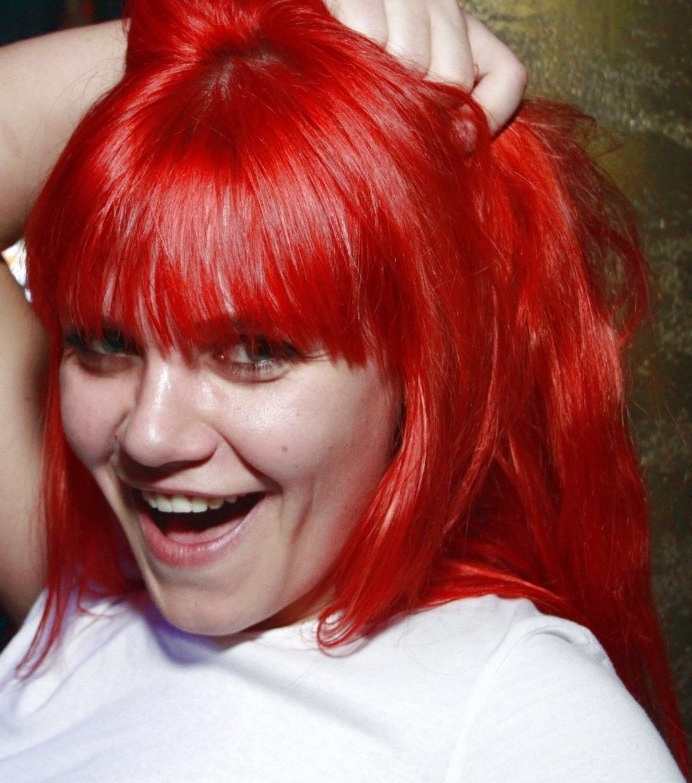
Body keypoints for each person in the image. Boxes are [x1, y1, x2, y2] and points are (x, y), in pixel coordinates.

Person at [0, 0, 686, 780]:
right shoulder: (87, 611)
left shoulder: (520, 712)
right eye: (105, 342)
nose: (148, 436)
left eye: (254, 351)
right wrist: (224, 40)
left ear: (416, 375)